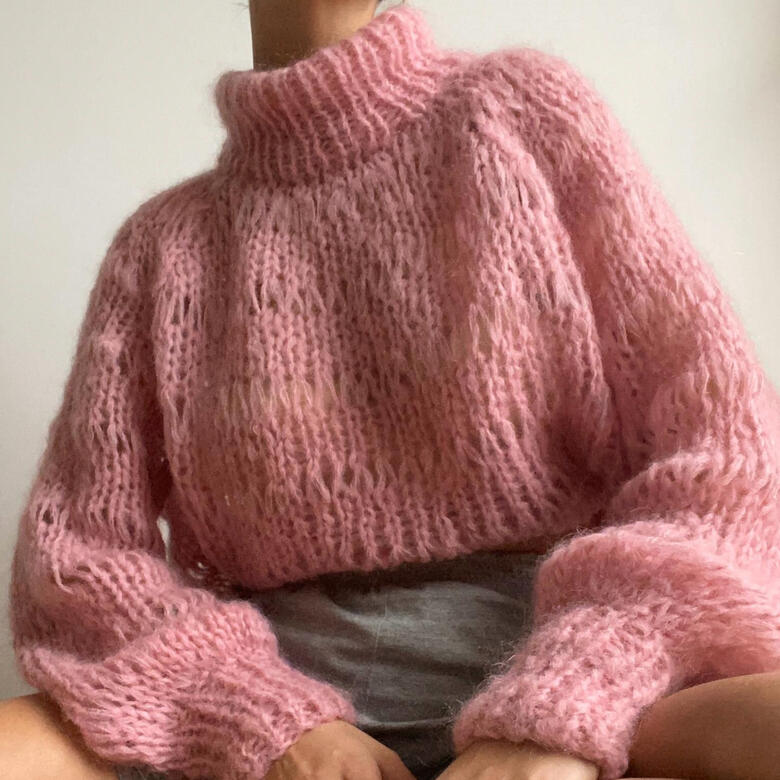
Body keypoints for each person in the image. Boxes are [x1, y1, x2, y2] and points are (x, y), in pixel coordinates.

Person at [4, 1, 780, 779]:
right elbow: (77, 559)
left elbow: (729, 454)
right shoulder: (162, 248)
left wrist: (566, 703)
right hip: (277, 698)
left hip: (562, 660)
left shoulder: (516, 116)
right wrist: (261, 721)